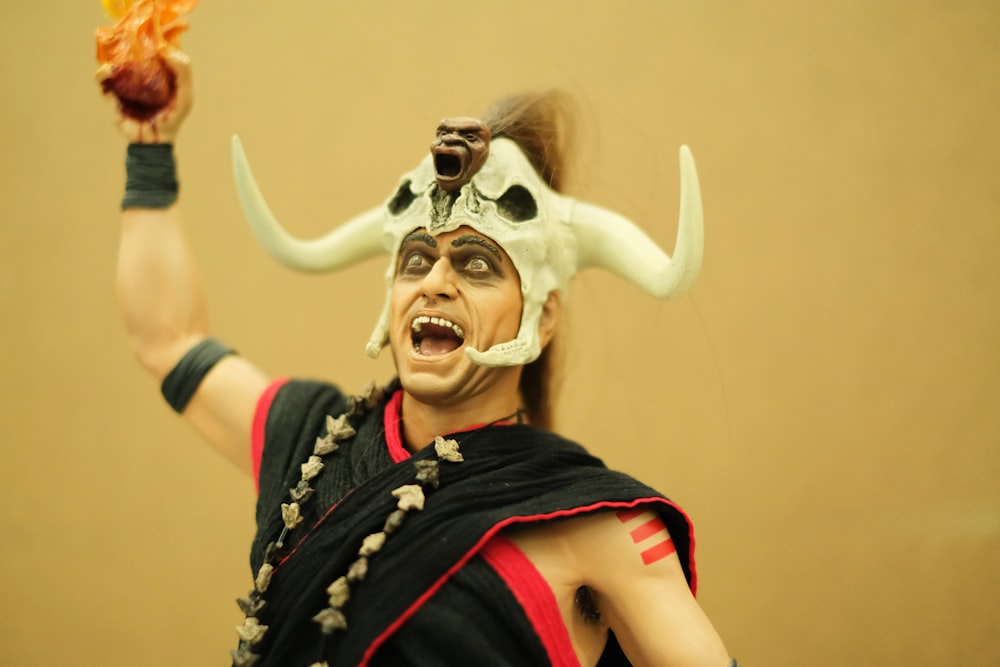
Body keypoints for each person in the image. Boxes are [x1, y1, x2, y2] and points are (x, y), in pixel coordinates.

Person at [99, 44, 739, 667]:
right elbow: (169, 338)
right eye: (415, 259)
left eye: (478, 264)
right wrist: (149, 150)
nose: (434, 281)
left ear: (541, 316)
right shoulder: (310, 440)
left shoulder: (602, 530)